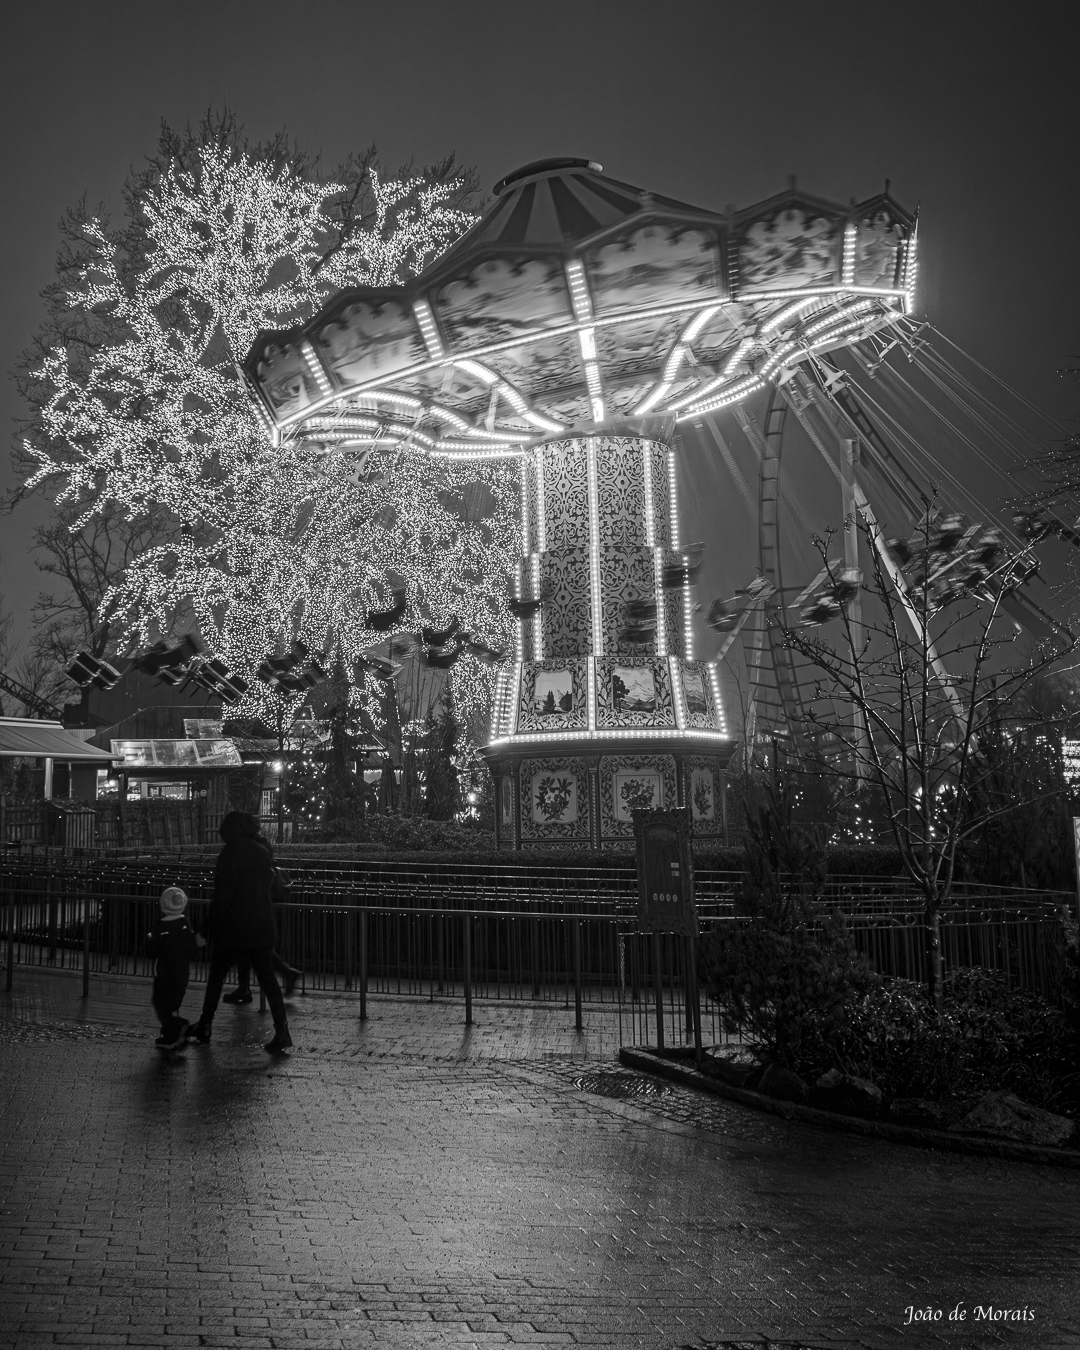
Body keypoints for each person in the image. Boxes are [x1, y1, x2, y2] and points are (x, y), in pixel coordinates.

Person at [186, 811, 292, 1053]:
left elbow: (222, 895)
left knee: (215, 979)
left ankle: (205, 1024)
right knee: (269, 982)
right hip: (261, 926)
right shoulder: (262, 852)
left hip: (232, 928)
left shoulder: (229, 854)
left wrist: (204, 928)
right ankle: (282, 1030)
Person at [148, 885, 204, 1050]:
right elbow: (192, 948)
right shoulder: (185, 924)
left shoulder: (159, 927)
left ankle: (177, 1027)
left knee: (160, 1003)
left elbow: (155, 949)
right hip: (182, 972)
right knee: (173, 1005)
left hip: (164, 972)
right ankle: (169, 1035)